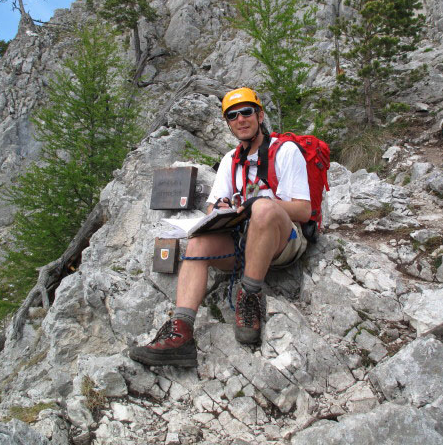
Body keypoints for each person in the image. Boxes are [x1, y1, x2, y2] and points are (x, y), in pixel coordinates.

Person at [129, 87, 311, 367]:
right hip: (243, 241)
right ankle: (180, 332)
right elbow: (213, 207)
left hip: (283, 241)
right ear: (228, 123)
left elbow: (303, 209)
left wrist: (256, 204)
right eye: (232, 116)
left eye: (246, 112)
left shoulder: (285, 152)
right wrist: (224, 208)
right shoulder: (230, 160)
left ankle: (249, 295)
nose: (240, 119)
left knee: (262, 207)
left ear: (260, 115)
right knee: (198, 244)